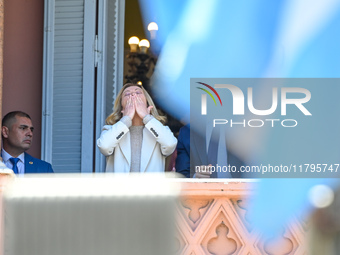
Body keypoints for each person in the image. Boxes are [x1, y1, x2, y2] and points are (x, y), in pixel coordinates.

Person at [97, 83, 177, 173]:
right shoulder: (110, 130)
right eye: (127, 94)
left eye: (138, 93)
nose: (133, 95)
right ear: (121, 108)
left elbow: (170, 144)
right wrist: (126, 119)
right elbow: (104, 146)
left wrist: (146, 117)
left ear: (147, 104)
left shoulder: (159, 130)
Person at [175, 124, 244, 178]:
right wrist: (195, 178)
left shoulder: (246, 128)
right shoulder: (186, 133)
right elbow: (182, 176)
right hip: (202, 193)